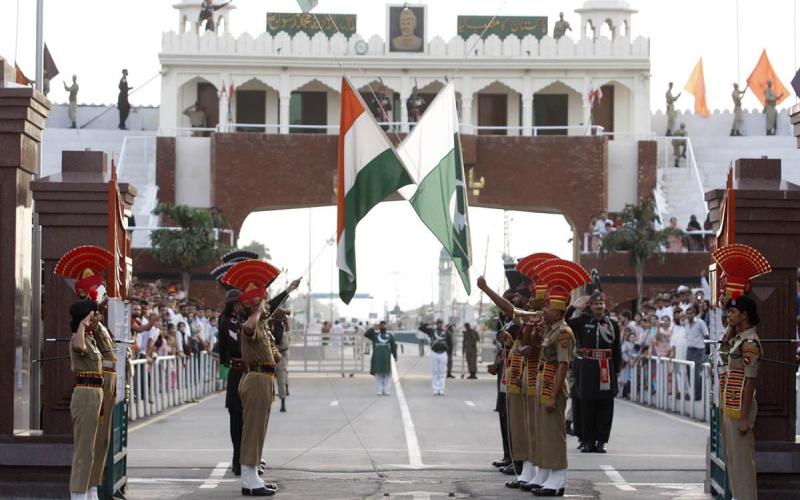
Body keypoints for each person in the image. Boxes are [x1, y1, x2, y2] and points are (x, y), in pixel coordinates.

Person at [530, 259, 588, 497]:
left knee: (554, 433)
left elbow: (563, 365)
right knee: (543, 431)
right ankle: (545, 473)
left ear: (558, 310)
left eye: (548, 307)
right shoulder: (551, 329)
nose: (544, 310)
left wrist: (553, 396)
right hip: (544, 380)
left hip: (554, 383)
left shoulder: (563, 332)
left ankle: (557, 478)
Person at [567, 291, 621, 454]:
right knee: (586, 404)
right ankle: (587, 440)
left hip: (606, 367)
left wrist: (616, 370)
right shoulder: (582, 321)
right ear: (590, 306)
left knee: (605, 404)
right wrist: (573, 307)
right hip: (586, 368)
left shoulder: (612, 324)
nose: (599, 306)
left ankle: (601, 441)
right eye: (596, 304)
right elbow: (562, 323)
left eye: (601, 304)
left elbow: (617, 349)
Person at [719, 295, 761, 500]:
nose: (728, 315)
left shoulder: (750, 342)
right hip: (731, 405)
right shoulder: (738, 338)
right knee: (733, 460)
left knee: (743, 463)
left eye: (733, 312)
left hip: (740, 409)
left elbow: (750, 380)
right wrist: (728, 333)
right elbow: (723, 355)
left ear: (744, 315)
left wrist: (744, 417)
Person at [68, 300, 104, 500]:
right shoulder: (78, 337)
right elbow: (79, 347)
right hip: (85, 394)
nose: (97, 318)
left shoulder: (92, 338)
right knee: (83, 448)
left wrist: (94, 322)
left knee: (91, 448)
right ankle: (78, 494)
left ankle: (89, 491)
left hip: (95, 393)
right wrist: (82, 324)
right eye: (93, 315)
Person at [89, 301, 118, 497]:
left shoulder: (102, 328)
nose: (103, 310)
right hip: (97, 383)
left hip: (108, 382)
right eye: (100, 307)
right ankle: (88, 487)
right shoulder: (90, 332)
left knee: (103, 440)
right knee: (94, 440)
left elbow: (112, 354)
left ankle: (93, 484)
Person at [364, 321, 398, 395]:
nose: (382, 326)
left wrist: (395, 356)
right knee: (378, 374)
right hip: (377, 357)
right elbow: (366, 334)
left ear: (386, 326)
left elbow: (393, 346)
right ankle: (379, 389)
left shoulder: (390, 335)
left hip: (386, 358)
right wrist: (373, 327)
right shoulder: (375, 335)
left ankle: (386, 390)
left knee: (387, 374)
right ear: (379, 326)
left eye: (384, 325)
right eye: (381, 325)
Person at [419, 319, 450, 395]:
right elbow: (421, 328)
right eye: (438, 323)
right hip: (434, 353)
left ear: (442, 324)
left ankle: (441, 389)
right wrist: (428, 323)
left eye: (440, 323)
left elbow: (450, 343)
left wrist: (449, 353)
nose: (439, 325)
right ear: (436, 324)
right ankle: (435, 389)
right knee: (435, 371)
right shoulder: (432, 331)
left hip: (443, 353)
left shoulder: (446, 332)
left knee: (442, 372)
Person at [684, 304, 709, 400]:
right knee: (689, 371)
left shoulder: (700, 322)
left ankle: (698, 394)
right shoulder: (686, 323)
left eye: (691, 313)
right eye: (688, 314)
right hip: (689, 349)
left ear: (694, 313)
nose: (689, 315)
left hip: (698, 349)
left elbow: (706, 335)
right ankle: (692, 392)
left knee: (696, 372)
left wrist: (705, 348)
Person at [271, 308, 291, 412]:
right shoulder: (274, 323)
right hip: (273, 355)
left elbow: (284, 343)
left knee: (281, 378)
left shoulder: (281, 325)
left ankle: (283, 401)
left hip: (280, 355)